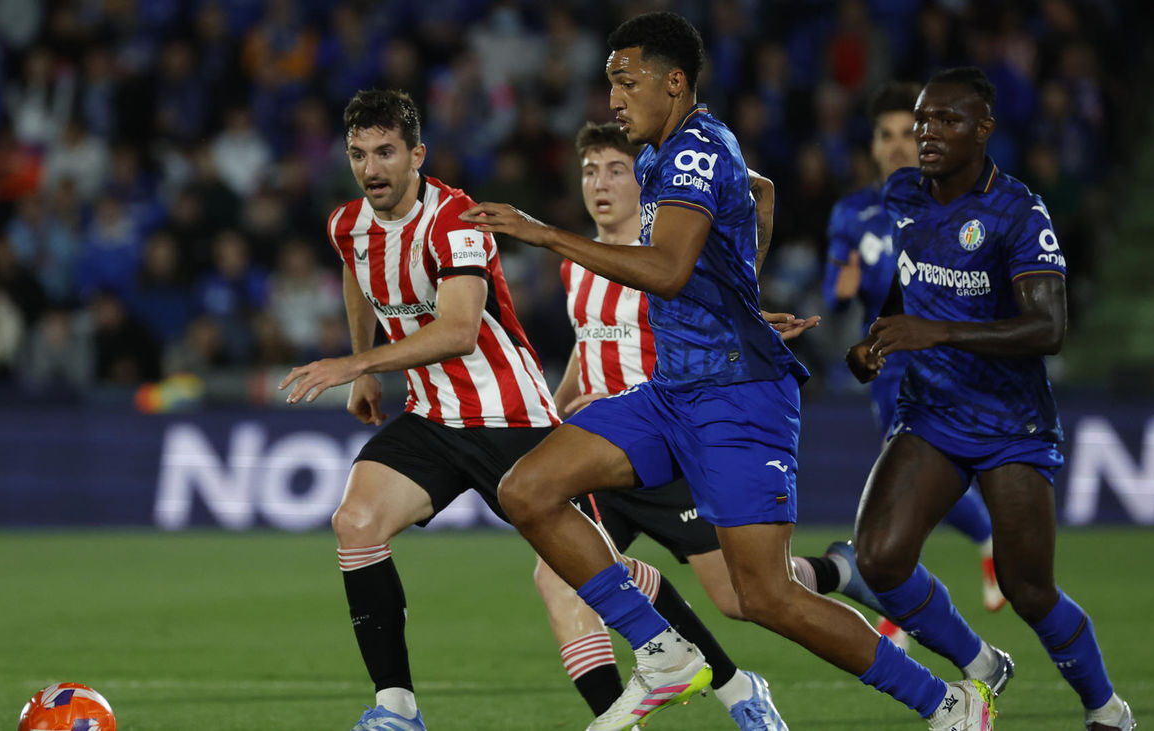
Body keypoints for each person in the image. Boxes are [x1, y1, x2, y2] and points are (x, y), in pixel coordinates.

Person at [461, 13, 996, 731]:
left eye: (627, 81)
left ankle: (945, 701)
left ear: (674, 82)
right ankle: (662, 651)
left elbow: (669, 268)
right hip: (671, 391)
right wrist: (741, 293)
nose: (613, 98)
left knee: (765, 596)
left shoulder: (691, 153)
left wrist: (542, 231)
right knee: (527, 489)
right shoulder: (667, 151)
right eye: (610, 82)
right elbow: (763, 192)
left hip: (738, 398)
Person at [279, 89, 781, 731]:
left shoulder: (454, 218)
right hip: (435, 417)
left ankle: (727, 679)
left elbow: (460, 330)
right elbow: (357, 267)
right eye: (358, 154)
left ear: (416, 155)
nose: (372, 169)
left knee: (597, 570)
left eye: (385, 153)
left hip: (509, 415)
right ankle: (396, 708)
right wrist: (362, 362)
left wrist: (354, 365)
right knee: (356, 522)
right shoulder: (347, 224)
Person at [847, 67, 1135, 731]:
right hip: (930, 412)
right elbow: (910, 278)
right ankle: (979, 661)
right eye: (922, 121)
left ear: (983, 131)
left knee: (1027, 588)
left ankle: (1109, 711)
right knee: (879, 556)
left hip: (1011, 422)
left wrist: (937, 329)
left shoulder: (1018, 212)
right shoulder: (902, 195)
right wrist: (882, 338)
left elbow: (1049, 327)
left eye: (947, 121)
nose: (928, 134)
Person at [537, 121, 800, 729]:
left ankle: (748, 678)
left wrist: (752, 318)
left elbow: (709, 322)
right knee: (559, 577)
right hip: (608, 451)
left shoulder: (666, 263)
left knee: (742, 598)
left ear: (644, 180)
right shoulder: (578, 267)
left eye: (615, 170)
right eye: (589, 171)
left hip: (672, 447)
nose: (600, 184)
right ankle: (617, 713)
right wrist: (563, 403)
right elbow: (588, 342)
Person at [820, 82, 1005, 650]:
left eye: (910, 132)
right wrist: (841, 287)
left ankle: (898, 607)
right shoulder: (850, 214)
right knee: (915, 485)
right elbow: (833, 296)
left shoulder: (944, 204)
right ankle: (985, 543)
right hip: (887, 370)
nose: (900, 144)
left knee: (904, 483)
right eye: (888, 135)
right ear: (872, 146)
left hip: (944, 363)